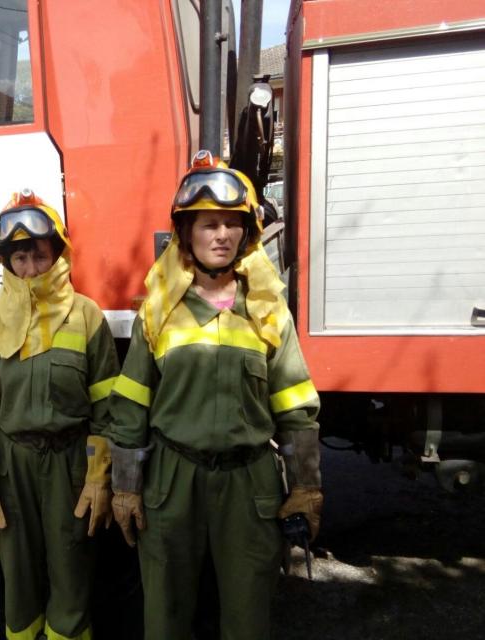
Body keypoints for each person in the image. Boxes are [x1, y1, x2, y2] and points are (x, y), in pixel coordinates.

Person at [106, 151, 323, 640]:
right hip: (172, 479)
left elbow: (295, 407)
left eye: (232, 224)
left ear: (247, 234)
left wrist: (306, 486)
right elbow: (130, 408)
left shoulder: (268, 311)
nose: (221, 235)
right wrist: (124, 486)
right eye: (208, 224)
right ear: (186, 233)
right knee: (165, 611)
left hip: (250, 485)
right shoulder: (158, 313)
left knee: (249, 614)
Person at [0, 189, 120, 640]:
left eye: (39, 256)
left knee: (72, 572)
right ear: (5, 262)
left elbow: (107, 410)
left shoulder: (87, 317)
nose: (30, 269)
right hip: (11, 467)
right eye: (19, 258)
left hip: (70, 465)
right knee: (19, 577)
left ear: (58, 256)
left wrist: (99, 476)